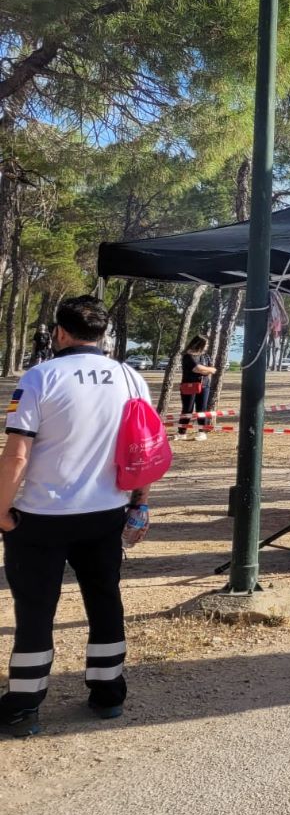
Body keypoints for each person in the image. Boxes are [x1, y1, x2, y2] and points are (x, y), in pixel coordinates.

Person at [0, 295, 154, 737]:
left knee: (36, 609)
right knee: (105, 599)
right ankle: (109, 694)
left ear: (60, 333)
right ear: (102, 334)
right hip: (106, 512)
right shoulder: (130, 377)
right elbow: (143, 448)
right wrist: (140, 503)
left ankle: (24, 706)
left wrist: (0, 510)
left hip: (42, 517)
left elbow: (17, 454)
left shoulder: (40, 376)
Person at [177, 336, 218, 441]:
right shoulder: (188, 356)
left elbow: (213, 370)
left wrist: (205, 370)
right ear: (199, 344)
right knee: (187, 409)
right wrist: (205, 370)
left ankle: (202, 433)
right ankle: (182, 433)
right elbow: (196, 368)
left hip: (204, 386)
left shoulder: (205, 356)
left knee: (202, 409)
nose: (207, 346)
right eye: (206, 344)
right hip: (189, 386)